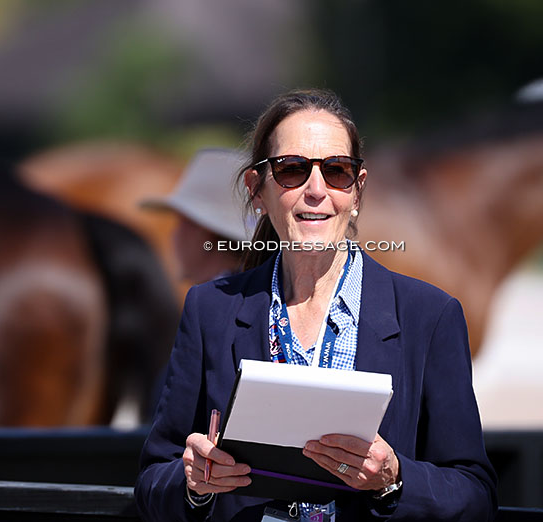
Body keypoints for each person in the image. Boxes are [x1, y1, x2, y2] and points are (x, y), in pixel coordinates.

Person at [134, 89, 497, 521]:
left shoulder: (430, 316)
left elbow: (474, 495)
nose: (317, 190)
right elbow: (154, 481)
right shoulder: (209, 310)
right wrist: (195, 485)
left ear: (357, 191)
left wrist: (394, 480)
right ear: (256, 190)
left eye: (337, 171)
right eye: (292, 170)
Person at [143, 148, 255, 285]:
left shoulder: (211, 296)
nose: (173, 235)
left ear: (203, 230)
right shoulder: (256, 289)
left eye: (181, 222)